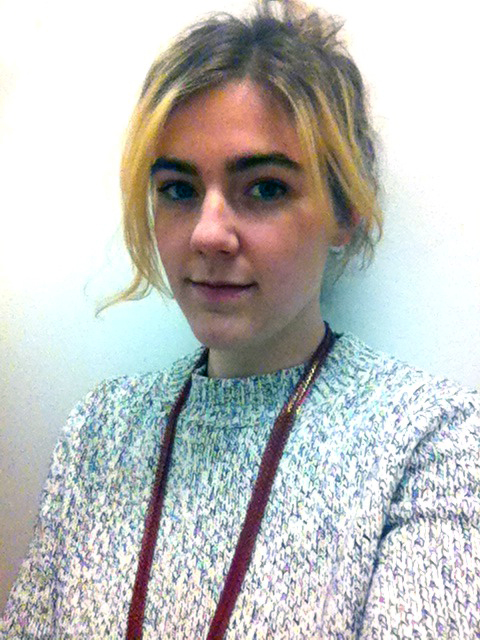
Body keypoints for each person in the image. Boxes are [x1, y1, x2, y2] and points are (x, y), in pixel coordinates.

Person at [2, 0, 479, 637]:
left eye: (265, 188)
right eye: (178, 189)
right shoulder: (100, 430)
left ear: (346, 212)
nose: (207, 234)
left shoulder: (430, 442)